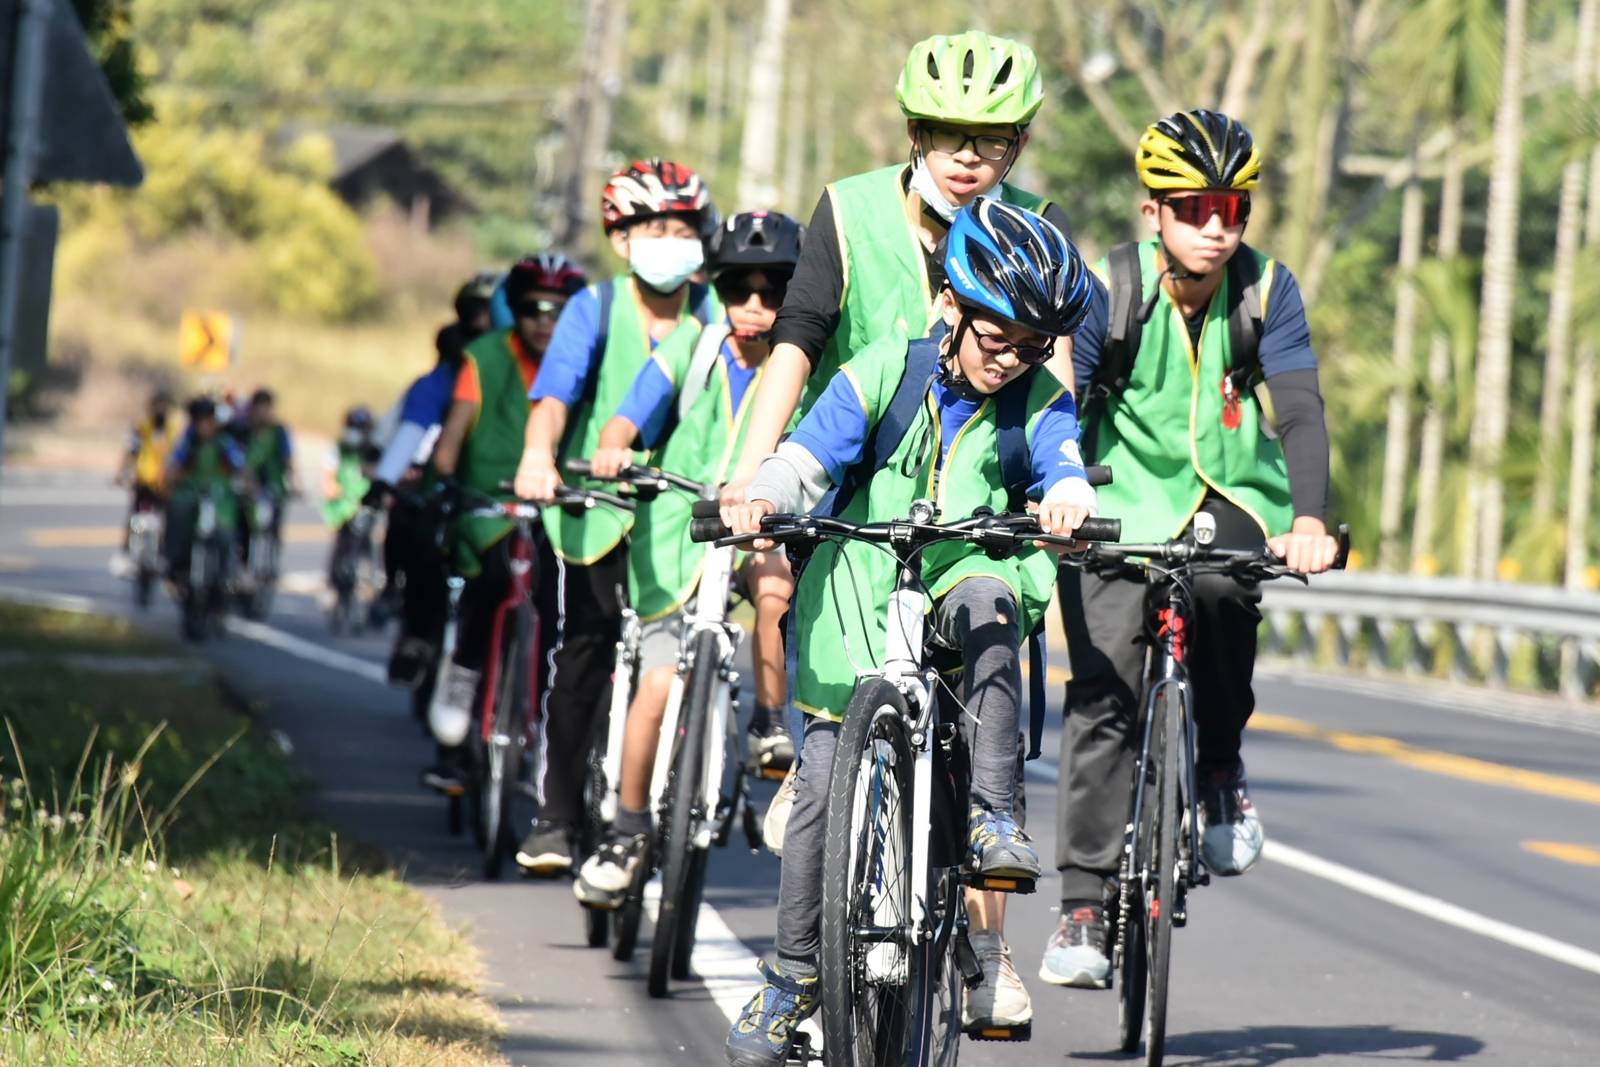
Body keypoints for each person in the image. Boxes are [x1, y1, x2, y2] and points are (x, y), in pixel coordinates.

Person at [721, 200, 1098, 1067]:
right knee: (817, 783)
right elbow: (808, 451)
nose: (1013, 359)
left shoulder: (1037, 398)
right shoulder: (889, 365)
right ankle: (792, 981)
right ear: (957, 307)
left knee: (992, 616)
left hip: (972, 562)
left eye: (1035, 346)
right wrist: (765, 491)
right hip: (864, 577)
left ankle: (993, 817)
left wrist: (1068, 498)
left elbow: (1064, 461)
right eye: (1000, 334)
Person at [1039, 109, 1340, 990]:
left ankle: (1218, 768)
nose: (1216, 226)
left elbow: (1300, 410)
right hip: (1115, 504)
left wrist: (1310, 519)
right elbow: (1064, 399)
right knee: (1101, 696)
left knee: (1219, 597)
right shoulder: (1111, 290)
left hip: (1232, 497)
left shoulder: (1267, 290)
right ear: (1152, 211)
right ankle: (1084, 904)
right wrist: (1059, 490)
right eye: (1194, 206)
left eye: (1233, 208)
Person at [722, 30, 1075, 506]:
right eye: (948, 133)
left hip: (980, 490)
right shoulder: (848, 206)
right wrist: (752, 469)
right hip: (847, 478)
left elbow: (1055, 364)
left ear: (1021, 145)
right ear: (915, 131)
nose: (967, 156)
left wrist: (1052, 488)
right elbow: (799, 336)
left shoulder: (1040, 223)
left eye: (992, 140)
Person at [571, 210, 803, 907]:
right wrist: (615, 443)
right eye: (740, 291)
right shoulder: (692, 347)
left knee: (774, 592)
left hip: (757, 528)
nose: (755, 308)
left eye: (772, 293)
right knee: (657, 682)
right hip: (677, 531)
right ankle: (627, 828)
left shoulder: (802, 364)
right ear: (719, 290)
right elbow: (629, 412)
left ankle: (767, 721)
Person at [511, 159, 719, 875]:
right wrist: (539, 455)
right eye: (658, 227)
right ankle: (557, 816)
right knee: (587, 647)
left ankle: (696, 779)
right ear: (622, 239)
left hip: (689, 510)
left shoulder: (719, 314)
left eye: (687, 227)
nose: (675, 240)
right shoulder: (593, 308)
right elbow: (556, 395)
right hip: (597, 507)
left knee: (693, 649)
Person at [425, 253, 589, 795]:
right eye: (533, 309)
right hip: (487, 503)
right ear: (514, 312)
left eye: (557, 312)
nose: (545, 321)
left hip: (557, 505)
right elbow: (451, 440)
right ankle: (458, 692)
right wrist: (446, 482)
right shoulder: (482, 358)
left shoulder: (586, 359)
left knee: (556, 602)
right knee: (489, 584)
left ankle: (538, 725)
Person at [374, 274, 502, 688]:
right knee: (419, 534)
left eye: (492, 313)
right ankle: (416, 631)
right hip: (451, 488)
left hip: (505, 493)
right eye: (476, 314)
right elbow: (414, 427)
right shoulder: (449, 371)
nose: (484, 323)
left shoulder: (524, 367)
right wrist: (384, 480)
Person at [163, 396, 246, 591]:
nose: (204, 426)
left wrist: (246, 484)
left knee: (226, 534)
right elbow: (174, 466)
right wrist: (171, 480)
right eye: (199, 421)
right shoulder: (188, 443)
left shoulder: (224, 443)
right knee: (178, 519)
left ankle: (227, 577)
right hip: (191, 496)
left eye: (207, 420)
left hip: (220, 500)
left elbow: (241, 467)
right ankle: (177, 572)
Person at [114, 388, 175, 573]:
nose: (161, 410)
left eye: (164, 406)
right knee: (132, 518)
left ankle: (165, 555)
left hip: (164, 484)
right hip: (143, 481)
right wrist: (122, 473)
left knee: (169, 520)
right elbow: (130, 452)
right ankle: (124, 553)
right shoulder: (142, 428)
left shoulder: (173, 431)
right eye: (158, 406)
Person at [235, 388, 295, 576]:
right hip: (248, 487)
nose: (263, 413)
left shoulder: (279, 432)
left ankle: (271, 560)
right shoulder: (244, 430)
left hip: (273, 486)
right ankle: (242, 566)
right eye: (259, 408)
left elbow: (287, 459)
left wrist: (292, 482)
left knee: (273, 524)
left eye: (266, 408)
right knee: (243, 526)